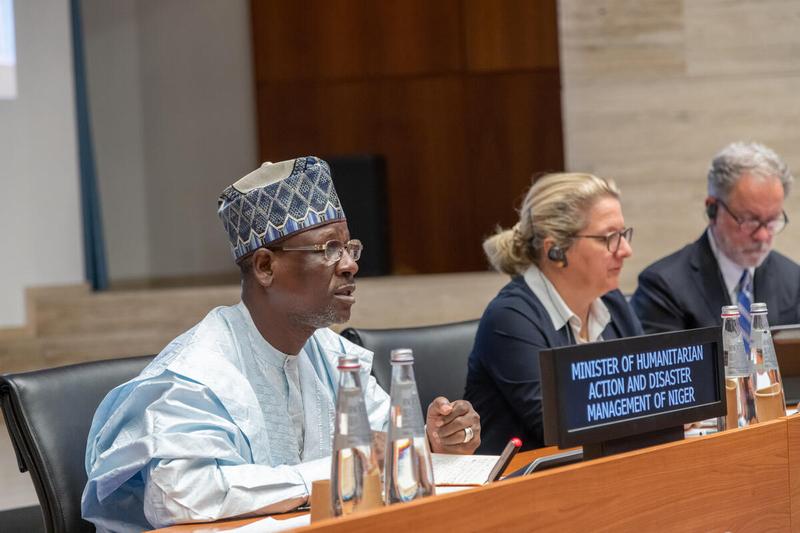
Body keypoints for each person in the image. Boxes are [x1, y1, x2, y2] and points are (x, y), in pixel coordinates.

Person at [81, 156, 480, 533]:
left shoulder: (332, 355)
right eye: (328, 250)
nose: (350, 264)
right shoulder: (199, 371)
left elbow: (381, 448)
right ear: (265, 267)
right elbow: (179, 494)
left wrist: (431, 442)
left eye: (349, 248)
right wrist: (335, 471)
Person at [464, 173, 642, 454]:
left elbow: (648, 398)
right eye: (609, 238)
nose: (626, 250)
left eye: (624, 235)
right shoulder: (510, 318)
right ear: (556, 250)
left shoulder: (613, 302)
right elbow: (564, 428)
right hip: (526, 487)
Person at [631, 142, 800, 334]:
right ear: (712, 209)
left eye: (771, 220)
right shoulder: (664, 287)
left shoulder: (793, 280)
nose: (762, 236)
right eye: (749, 220)